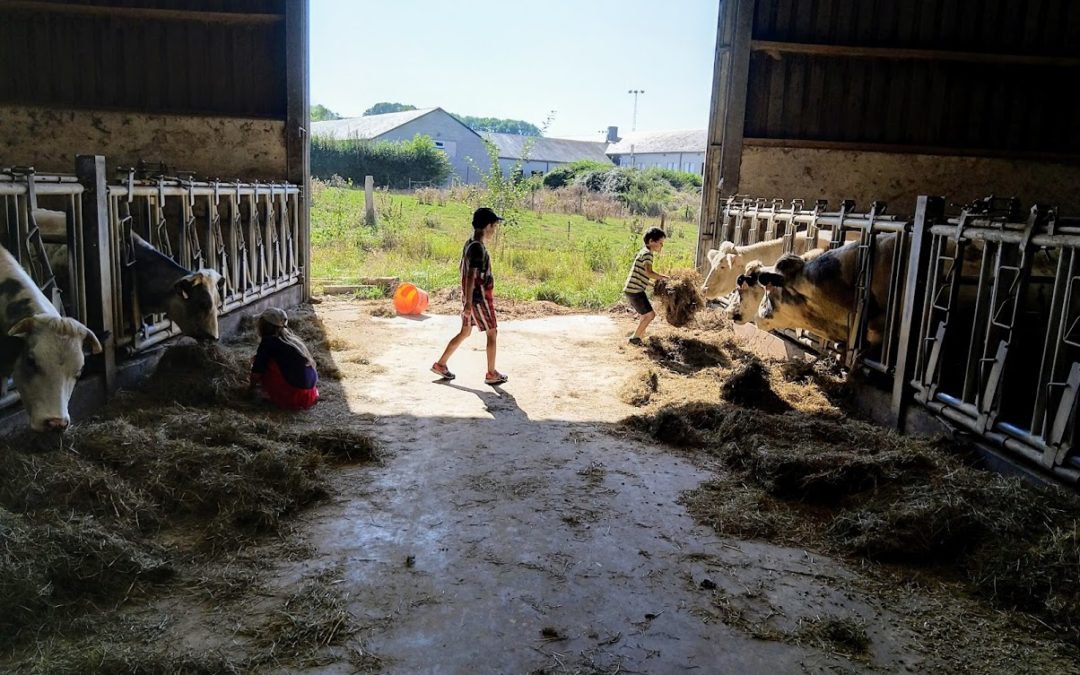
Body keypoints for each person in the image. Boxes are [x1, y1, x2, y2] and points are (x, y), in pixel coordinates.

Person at [431, 207, 508, 385]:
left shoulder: (470, 243)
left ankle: (441, 364)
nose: (494, 231)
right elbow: (470, 275)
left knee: (465, 332)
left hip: (470, 298)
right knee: (492, 332)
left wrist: (466, 301)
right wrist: (469, 303)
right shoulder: (478, 248)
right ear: (488, 226)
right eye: (494, 227)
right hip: (479, 299)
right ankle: (491, 373)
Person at [249, 307, 319, 409]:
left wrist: (250, 389)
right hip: (309, 394)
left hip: (293, 396)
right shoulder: (293, 340)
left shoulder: (268, 343)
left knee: (263, 362)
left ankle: (277, 394)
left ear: (263, 326)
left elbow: (257, 372)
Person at [623, 227, 669, 345]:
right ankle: (635, 338)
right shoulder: (648, 254)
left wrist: (651, 284)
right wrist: (664, 278)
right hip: (636, 291)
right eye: (660, 243)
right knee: (650, 315)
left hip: (631, 289)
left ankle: (639, 335)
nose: (661, 246)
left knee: (644, 315)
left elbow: (641, 275)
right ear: (651, 241)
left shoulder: (643, 251)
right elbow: (649, 272)